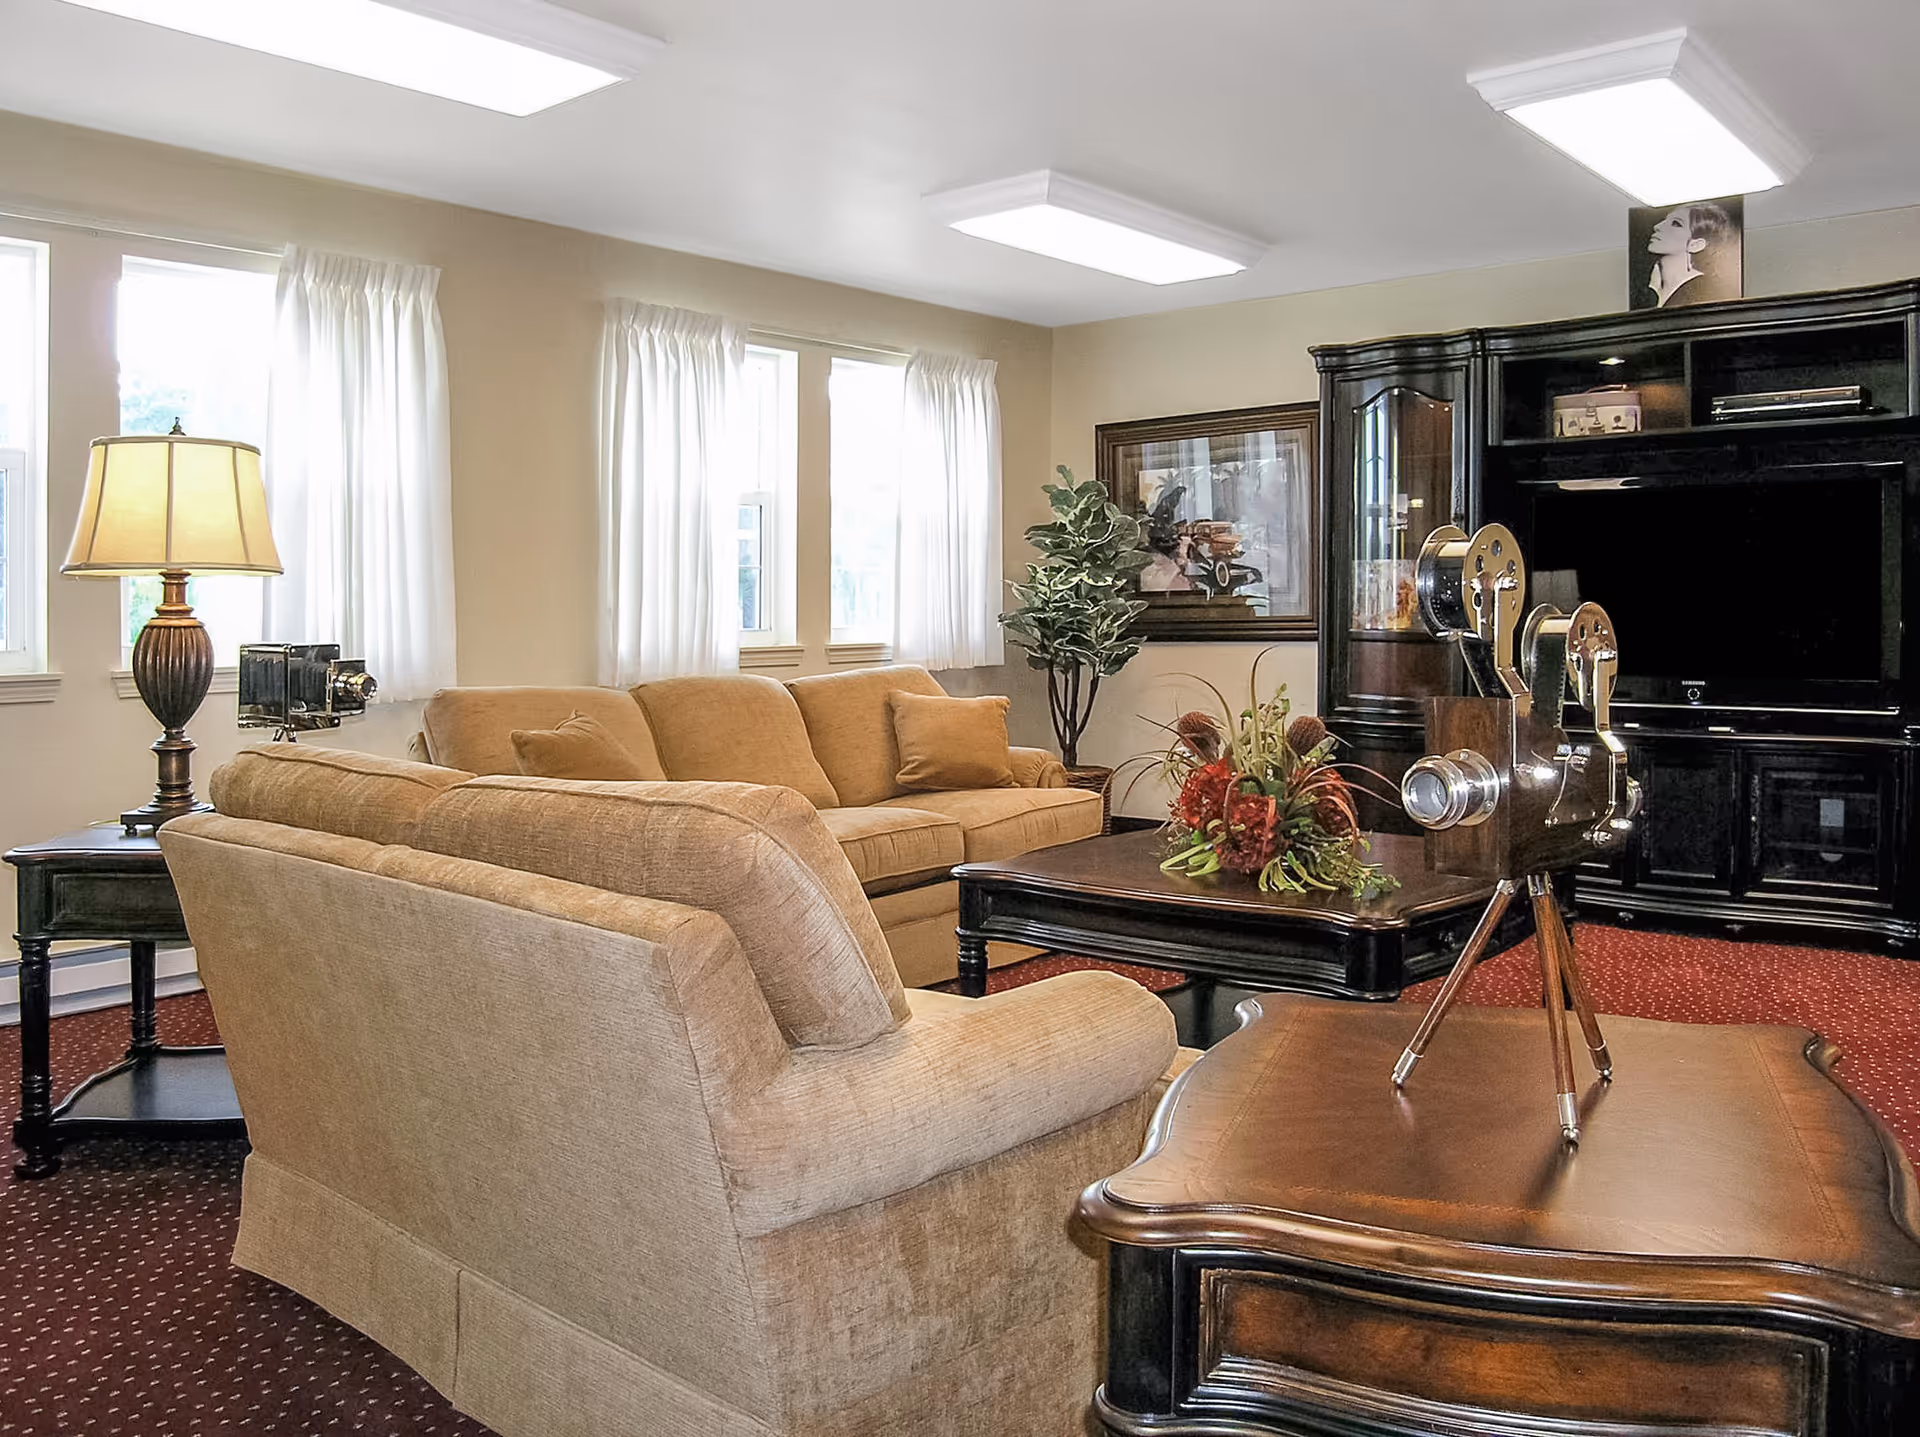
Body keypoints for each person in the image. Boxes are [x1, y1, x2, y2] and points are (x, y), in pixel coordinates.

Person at [1645, 201, 1738, 308]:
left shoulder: (1706, 289)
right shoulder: (1653, 285)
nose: (1657, 226)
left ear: (1695, 245)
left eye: (1676, 223)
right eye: (1665, 220)